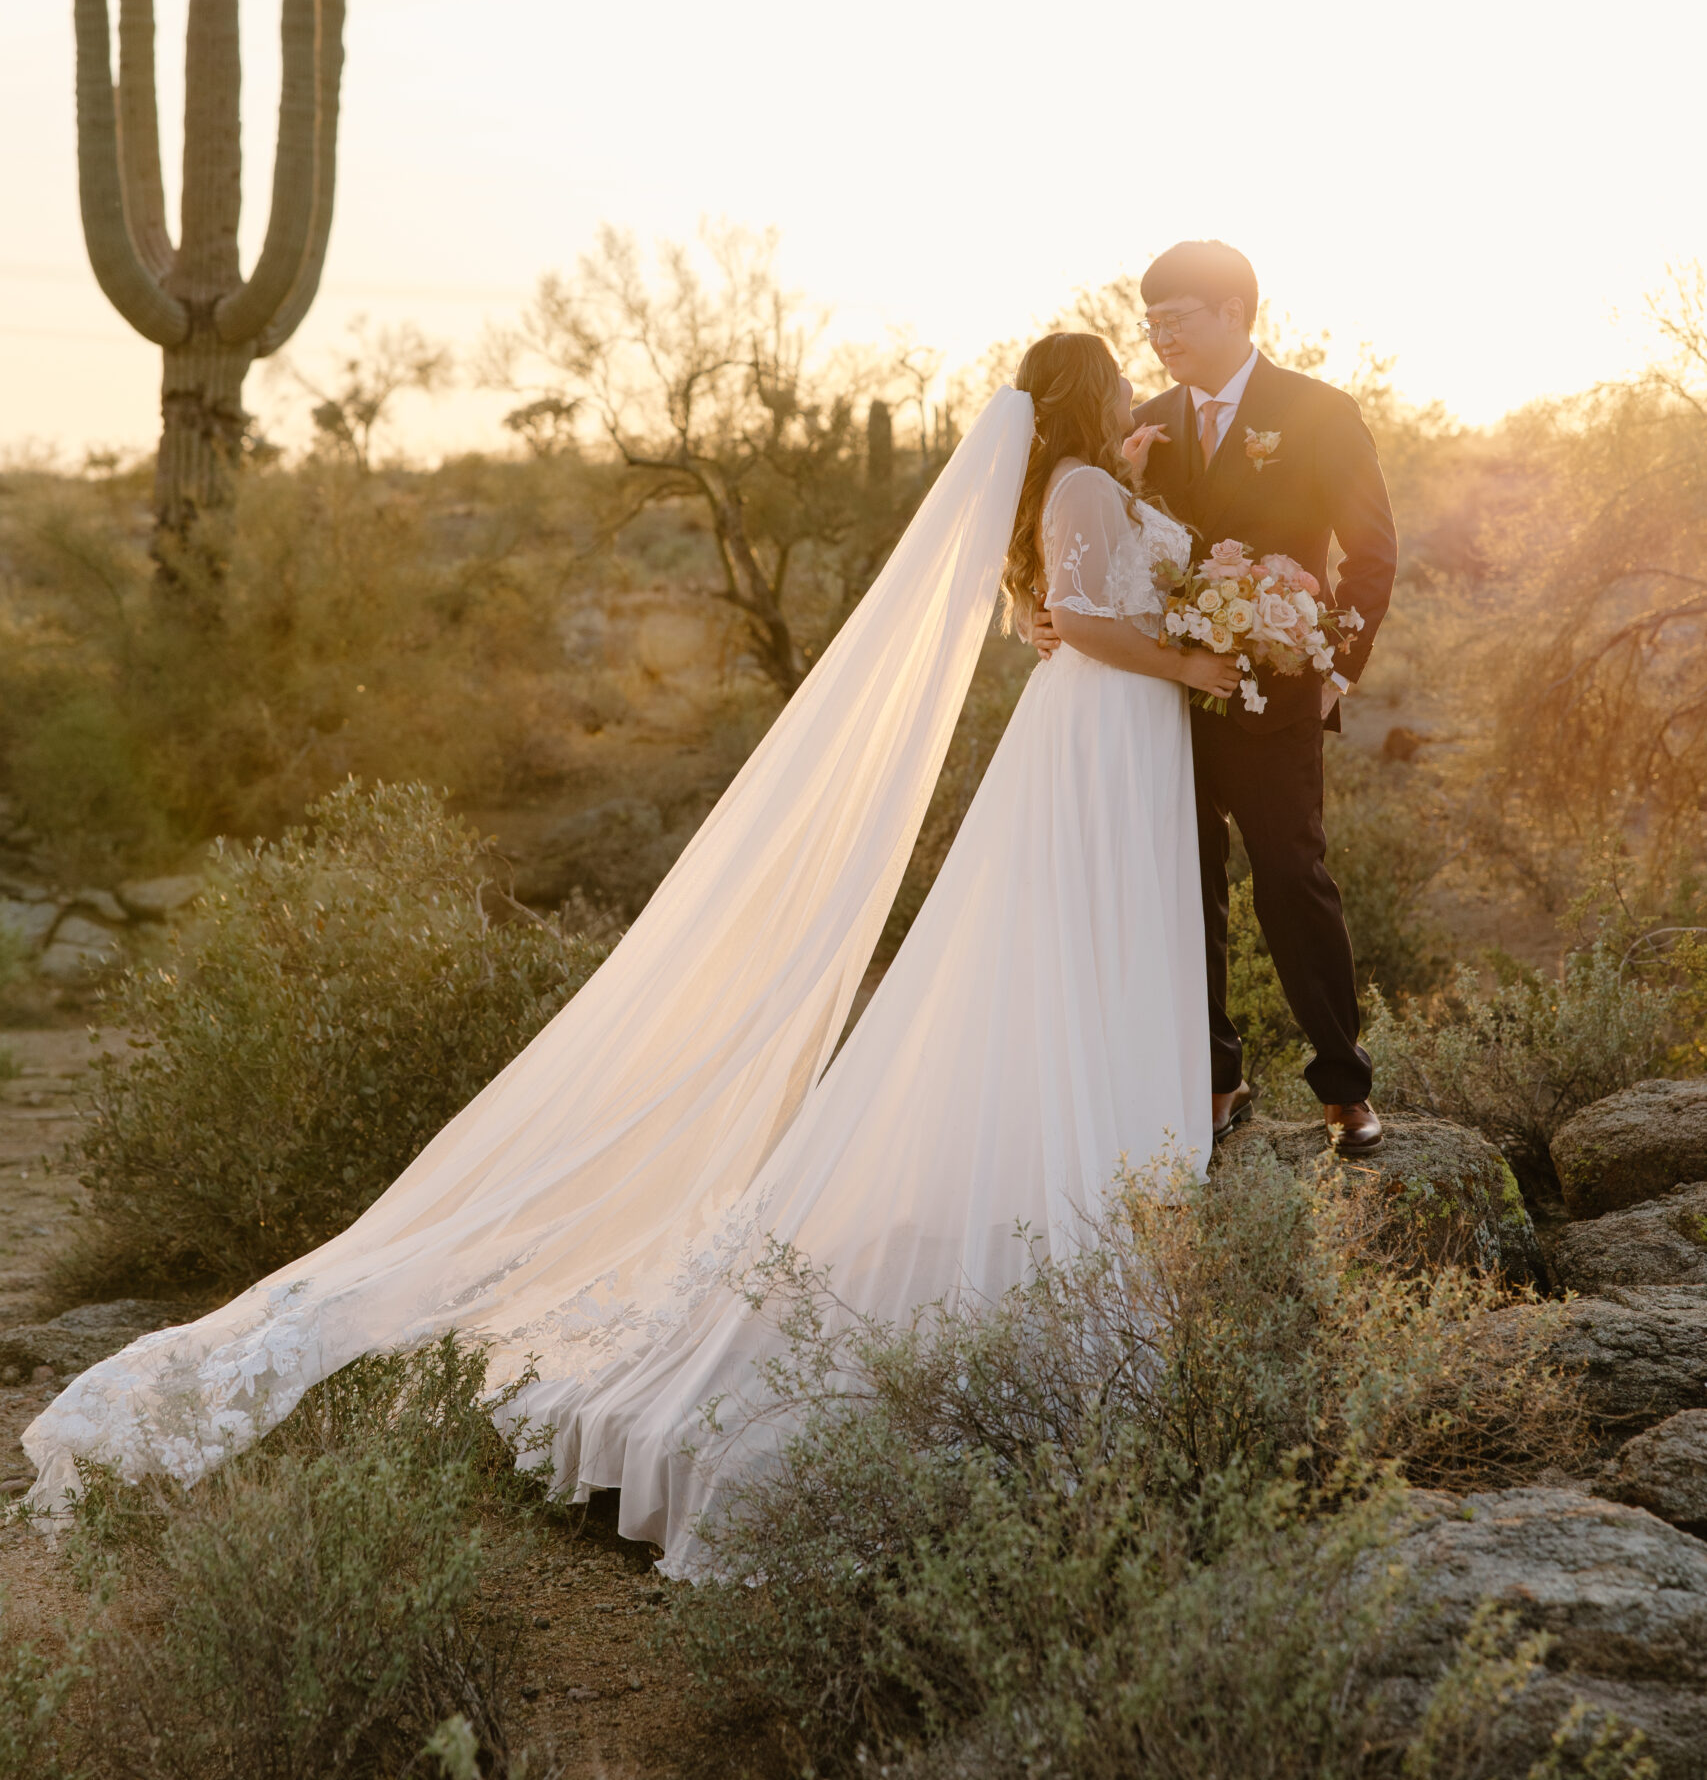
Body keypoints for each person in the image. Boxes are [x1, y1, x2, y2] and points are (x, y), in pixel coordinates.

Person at [23, 336, 1231, 1572]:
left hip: (1117, 739)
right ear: (1090, 396)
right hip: (1104, 737)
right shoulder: (1082, 488)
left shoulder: (1084, 484)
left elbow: (1066, 600)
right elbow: (1076, 616)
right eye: (1121, 383)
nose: (1140, 391)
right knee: (1071, 960)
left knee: (1079, 968)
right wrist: (1198, 654)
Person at [1035, 242, 1396, 1155]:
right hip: (1154, 703)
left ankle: (1342, 1086)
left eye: (1178, 319)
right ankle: (1215, 1079)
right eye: (1149, 322)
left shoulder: (1316, 411)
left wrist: (1330, 674)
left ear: (1236, 312)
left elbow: (1371, 553)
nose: (1158, 338)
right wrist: (1046, 617)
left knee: (1291, 880)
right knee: (1180, 889)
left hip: (1277, 701)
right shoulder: (1139, 422)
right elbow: (1080, 544)